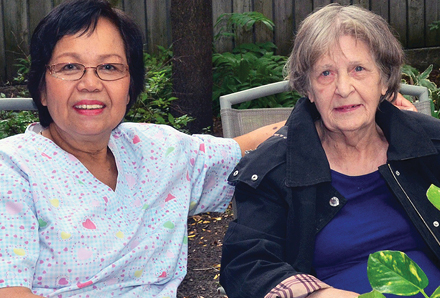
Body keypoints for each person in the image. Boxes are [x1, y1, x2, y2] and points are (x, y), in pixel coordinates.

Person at [0, 0, 287, 297]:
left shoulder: (158, 150)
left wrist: (328, 113)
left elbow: (247, 147)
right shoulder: (12, 168)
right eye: (70, 67)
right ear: (42, 88)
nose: (90, 83)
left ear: (129, 88)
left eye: (109, 67)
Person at [220, 4, 440, 298]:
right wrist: (317, 295)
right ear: (308, 88)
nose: (343, 88)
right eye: (325, 73)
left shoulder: (430, 143)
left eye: (358, 69)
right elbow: (245, 265)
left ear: (384, 79)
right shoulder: (274, 168)